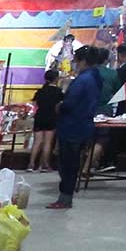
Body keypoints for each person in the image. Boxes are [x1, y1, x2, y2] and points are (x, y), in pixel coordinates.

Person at [48, 45, 105, 210]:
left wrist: (60, 106)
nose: (75, 64)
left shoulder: (83, 80)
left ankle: (64, 198)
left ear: (83, 61)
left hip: (72, 126)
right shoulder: (96, 77)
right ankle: (66, 197)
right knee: (72, 163)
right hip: (84, 125)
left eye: (76, 61)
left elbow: (70, 103)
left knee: (68, 165)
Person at [29, 69, 62, 171]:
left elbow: (34, 105)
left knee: (37, 142)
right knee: (48, 142)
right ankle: (45, 165)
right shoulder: (58, 92)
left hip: (39, 117)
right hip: (51, 117)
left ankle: (31, 164)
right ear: (56, 79)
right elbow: (58, 107)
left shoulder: (40, 91)